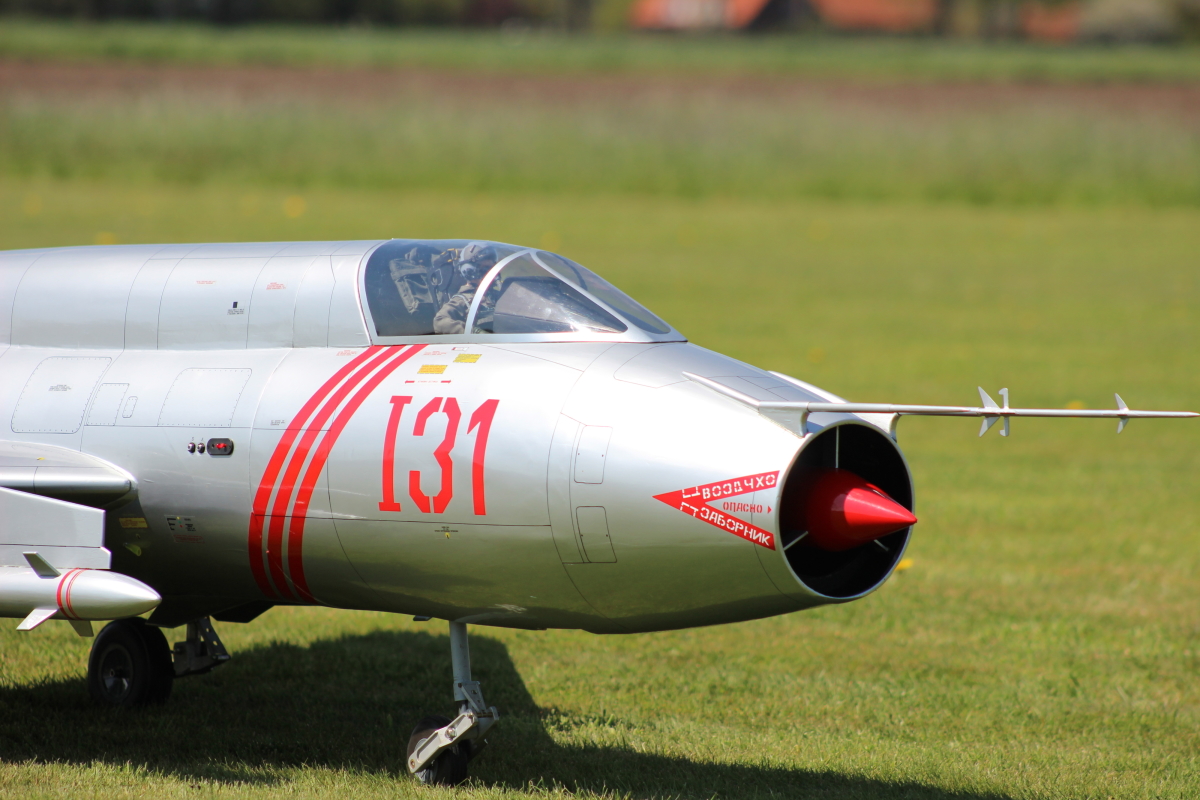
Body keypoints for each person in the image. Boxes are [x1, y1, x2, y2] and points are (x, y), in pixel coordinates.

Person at [433, 242, 498, 334]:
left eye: (492, 268)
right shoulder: (462, 299)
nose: (492, 273)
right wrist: (474, 332)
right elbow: (439, 321)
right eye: (485, 268)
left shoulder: (498, 295)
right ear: (470, 271)